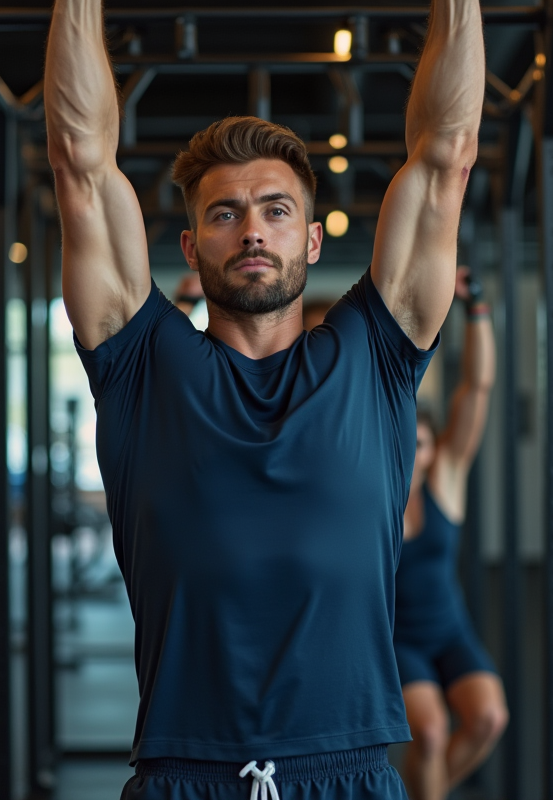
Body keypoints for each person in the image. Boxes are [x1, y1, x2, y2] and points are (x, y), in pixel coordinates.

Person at [44, 0, 484, 794]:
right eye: (225, 213)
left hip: (347, 773)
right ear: (189, 245)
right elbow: (80, 158)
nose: (252, 230)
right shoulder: (140, 361)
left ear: (311, 240)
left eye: (276, 211)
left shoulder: (376, 358)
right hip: (187, 773)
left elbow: (447, 153)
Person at [395, 268, 506, 800]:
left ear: (436, 448)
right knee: (433, 732)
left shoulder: (447, 482)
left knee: (489, 719)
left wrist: (477, 308)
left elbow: (477, 388)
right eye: (408, 444)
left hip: (450, 632)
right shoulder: (373, 495)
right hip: (398, 642)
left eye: (425, 442)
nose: (418, 454)